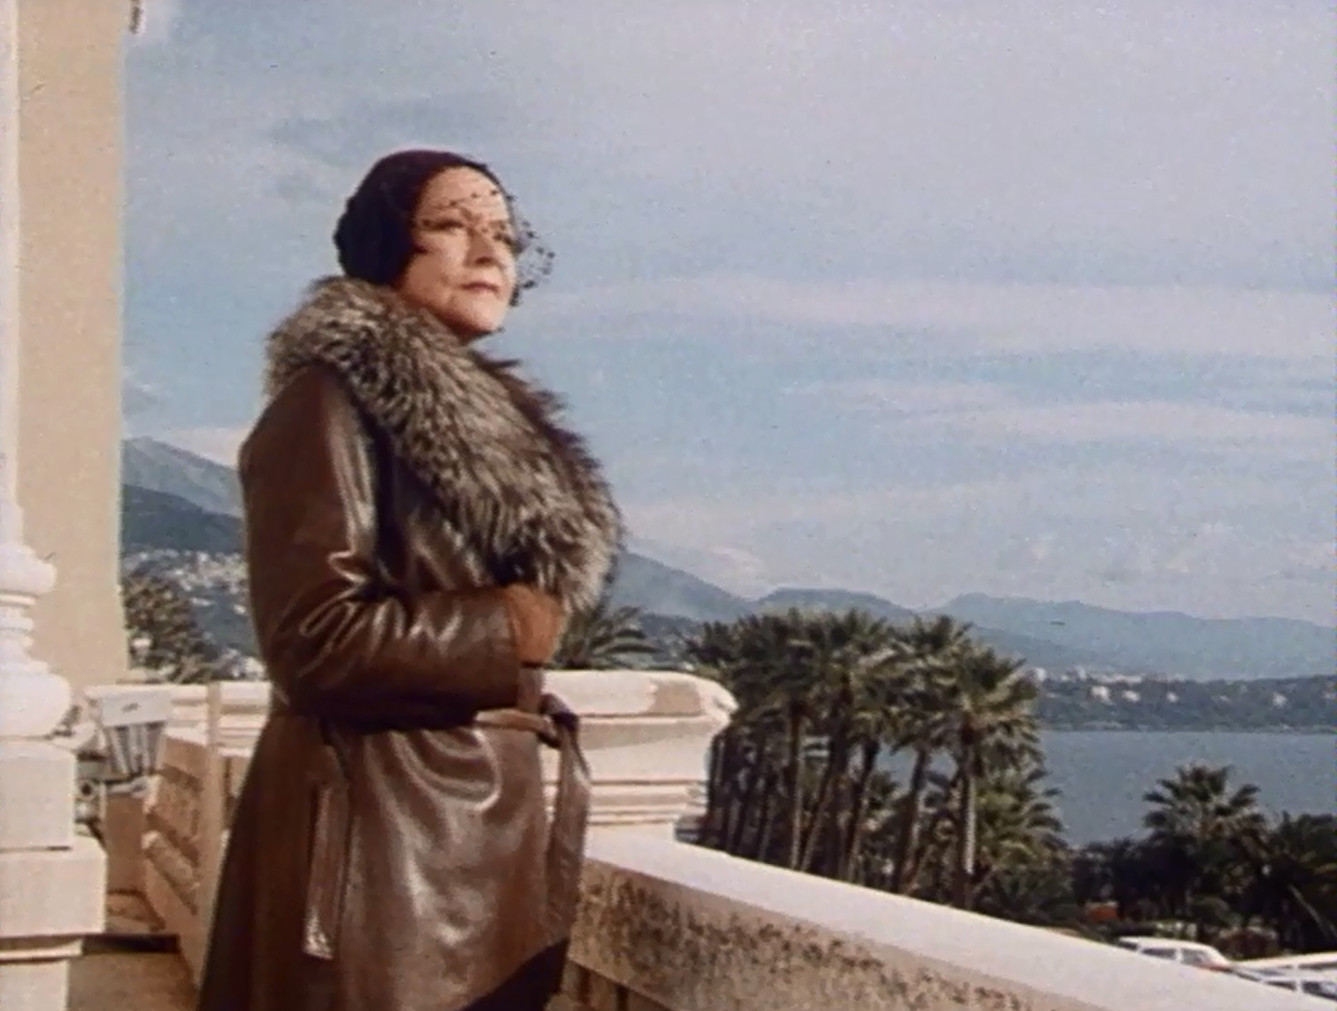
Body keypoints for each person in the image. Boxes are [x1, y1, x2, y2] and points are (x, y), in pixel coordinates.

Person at [196, 149, 623, 1011]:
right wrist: (507, 627)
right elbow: (313, 641)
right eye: (452, 225)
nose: (489, 251)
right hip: (383, 851)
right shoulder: (327, 403)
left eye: (504, 233)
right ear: (387, 244)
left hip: (464, 839)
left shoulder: (473, 419)